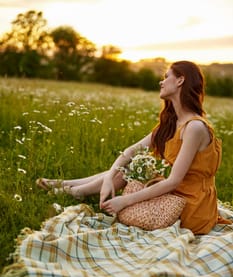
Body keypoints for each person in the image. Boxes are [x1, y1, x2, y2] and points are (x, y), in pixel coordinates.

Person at [36, 60, 231, 234]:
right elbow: (130, 151)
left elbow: (173, 181)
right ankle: (67, 185)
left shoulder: (195, 127)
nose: (161, 82)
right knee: (126, 168)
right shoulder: (171, 123)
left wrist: (125, 200)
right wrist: (108, 180)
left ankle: (74, 191)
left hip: (191, 205)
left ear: (180, 81)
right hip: (173, 193)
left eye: (166, 77)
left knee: (129, 172)